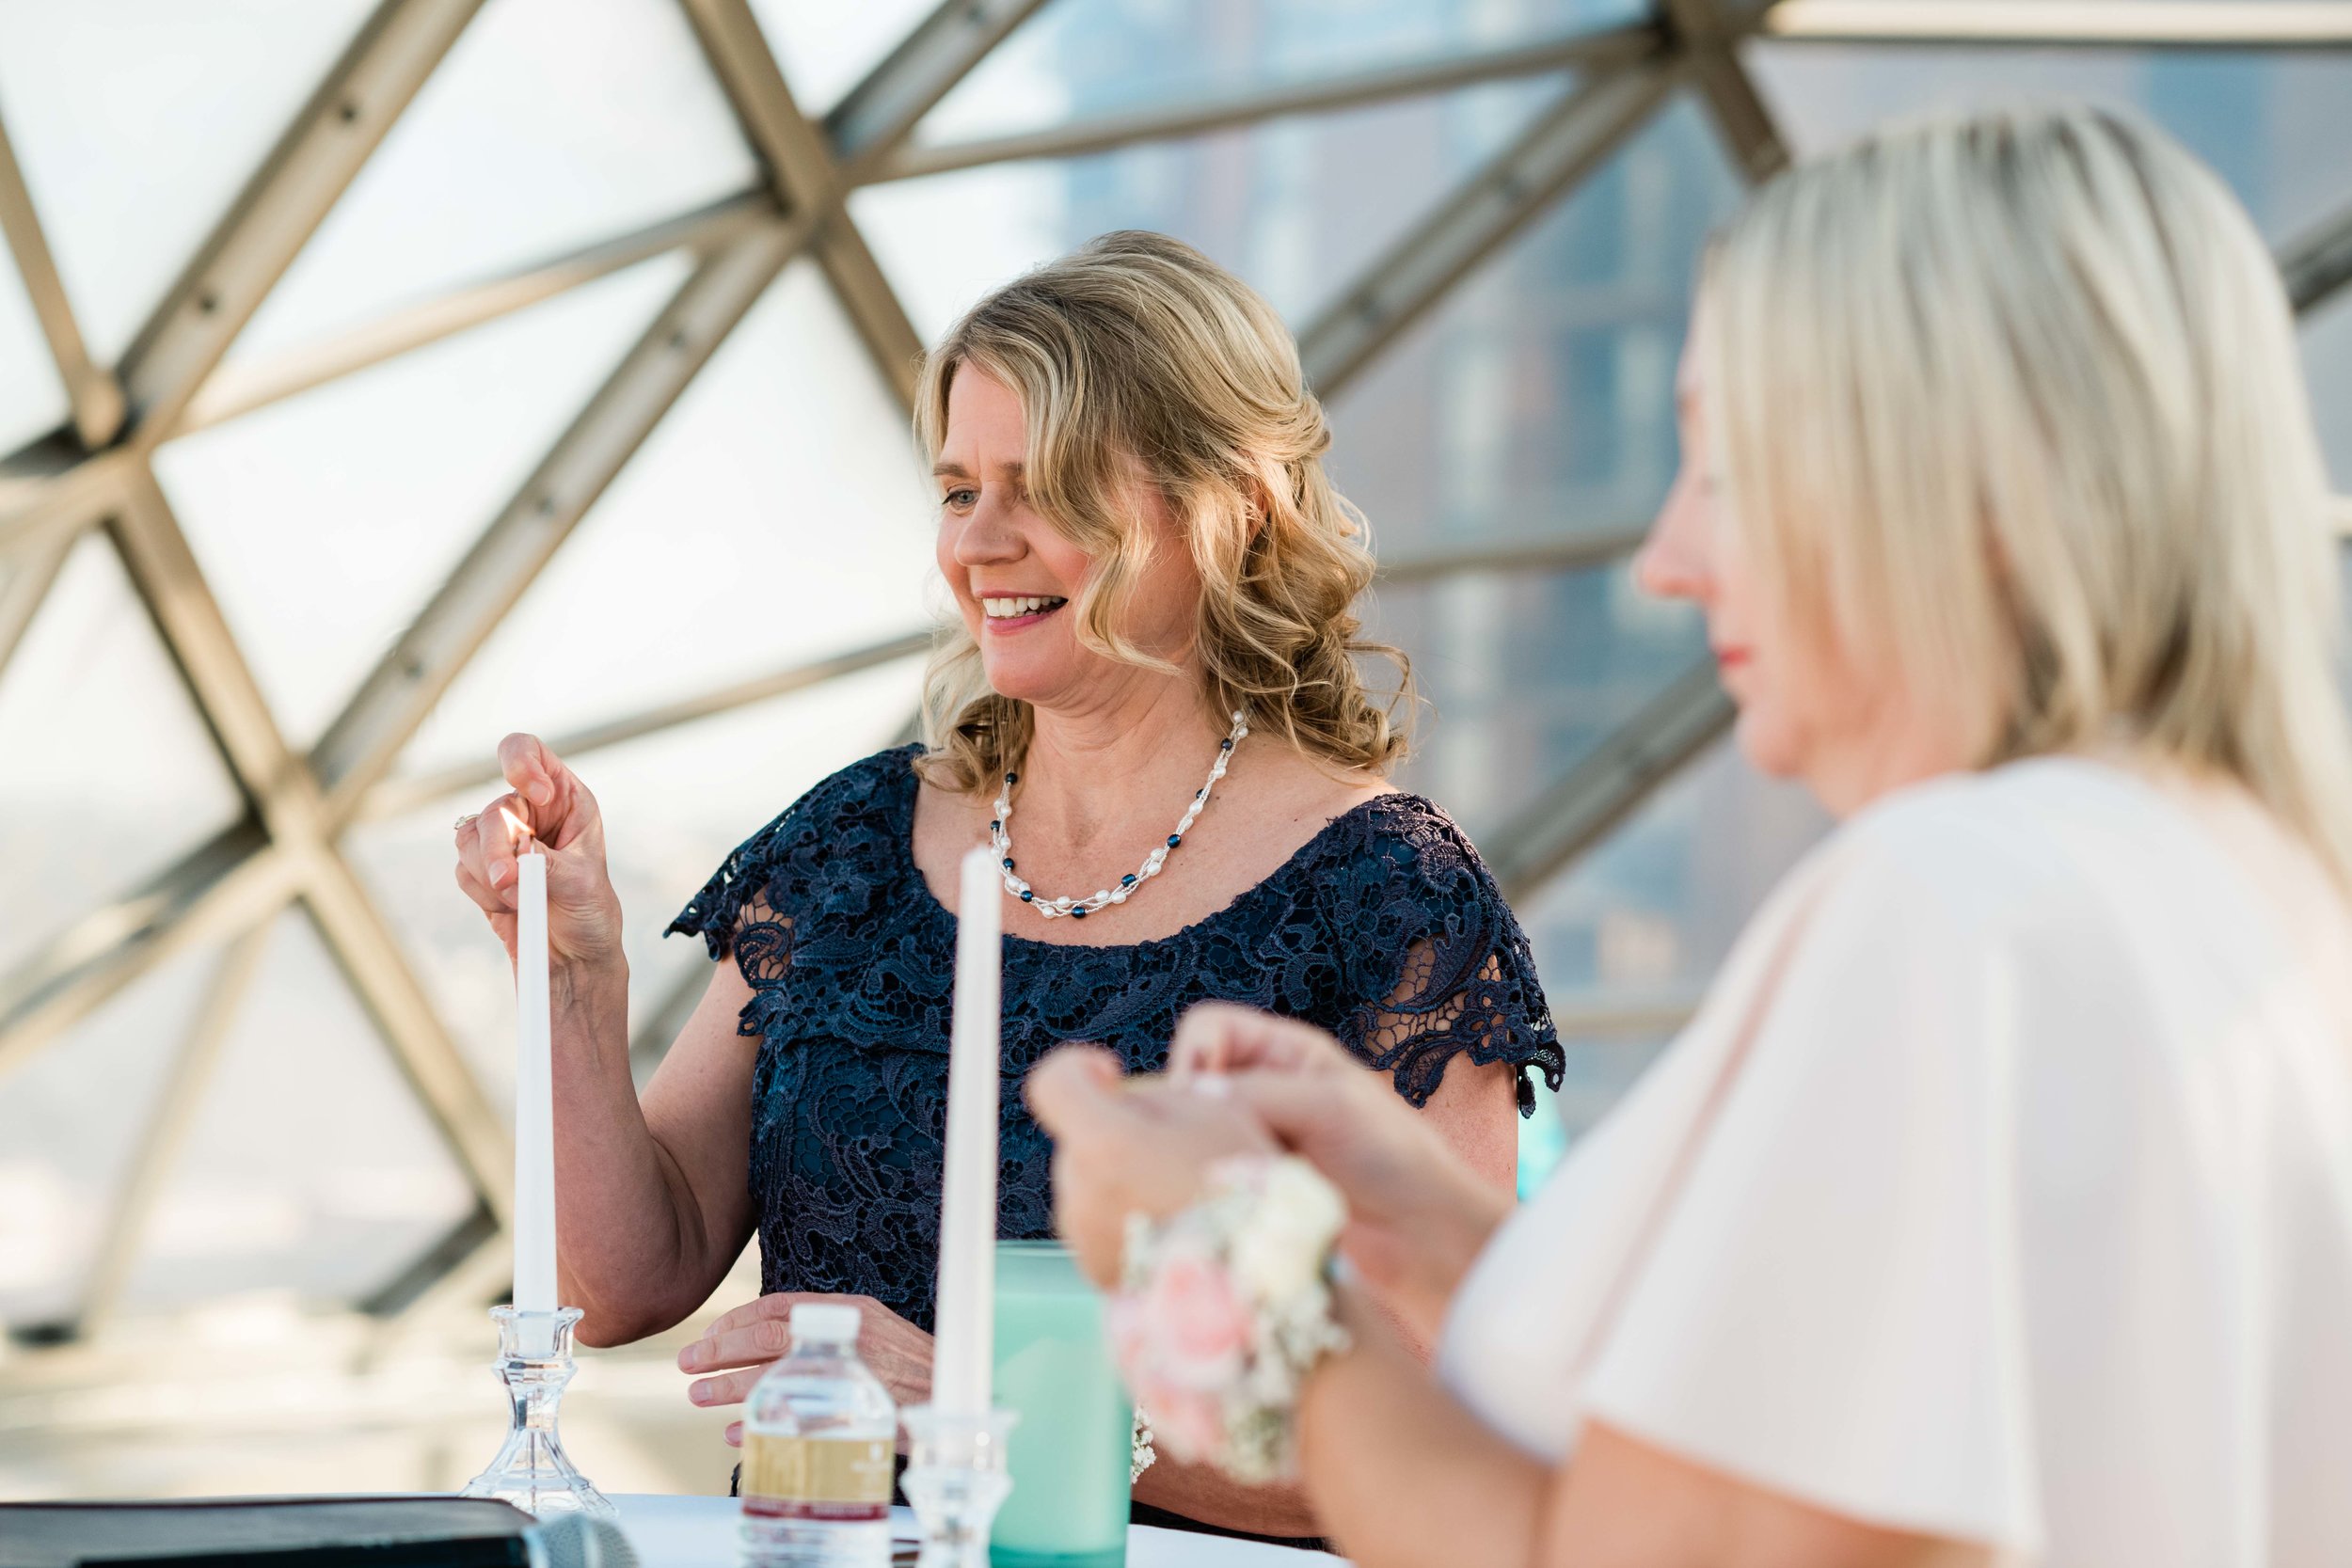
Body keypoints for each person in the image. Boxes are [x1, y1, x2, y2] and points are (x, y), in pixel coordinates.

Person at [1031, 104, 2352, 1568]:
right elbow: (1786, 1443)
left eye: (1724, 466)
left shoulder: (1956, 906)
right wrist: (1405, 1210)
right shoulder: (2249, 897)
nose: (1667, 560)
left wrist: (1220, 1274)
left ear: (1976, 482)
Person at [450, 230, 1564, 1540]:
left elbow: (1439, 1448)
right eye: (957, 489)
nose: (980, 543)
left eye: (1048, 490)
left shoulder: (1388, 898)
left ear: (1230, 512)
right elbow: (633, 1273)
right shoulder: (853, 843)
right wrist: (573, 979)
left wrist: (971, 1408)